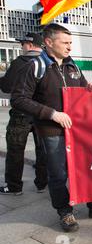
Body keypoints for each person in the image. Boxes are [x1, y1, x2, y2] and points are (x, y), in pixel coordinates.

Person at [11, 24, 92, 232]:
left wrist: (90, 87)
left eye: (71, 43)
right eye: (66, 42)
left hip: (77, 129)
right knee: (59, 174)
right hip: (52, 131)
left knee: (88, 168)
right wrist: (52, 114)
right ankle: (65, 212)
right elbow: (18, 99)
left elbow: (80, 88)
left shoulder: (72, 66)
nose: (70, 47)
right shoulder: (35, 66)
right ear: (49, 42)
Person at [0, 33, 47, 196]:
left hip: (22, 113)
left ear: (30, 44)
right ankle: (42, 183)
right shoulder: (48, 62)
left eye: (23, 44)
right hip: (42, 113)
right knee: (43, 149)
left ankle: (14, 186)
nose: (22, 47)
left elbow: (6, 87)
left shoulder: (19, 62)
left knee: (15, 149)